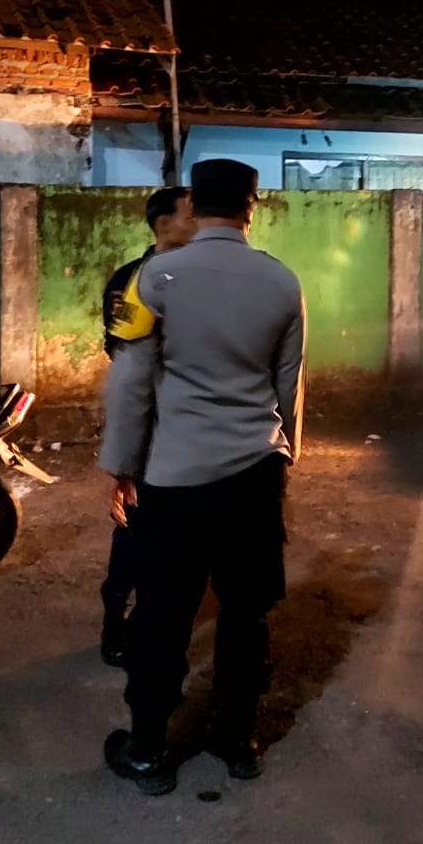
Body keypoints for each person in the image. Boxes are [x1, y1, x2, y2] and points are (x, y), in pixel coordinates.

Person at [98, 159, 306, 795]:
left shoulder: (154, 277)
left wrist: (120, 466)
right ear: (252, 206)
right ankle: (237, 741)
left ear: (193, 204)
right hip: (254, 472)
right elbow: (289, 382)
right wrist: (286, 456)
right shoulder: (281, 280)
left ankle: (147, 751)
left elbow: (131, 381)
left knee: (163, 613)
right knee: (246, 610)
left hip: (174, 475)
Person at [97, 186, 197, 667]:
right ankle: (116, 618)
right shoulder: (132, 281)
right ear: (163, 225)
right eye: (191, 213)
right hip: (153, 429)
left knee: (186, 538)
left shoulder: (206, 276)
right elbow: (125, 365)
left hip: (197, 430)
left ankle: (159, 621)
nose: (201, 220)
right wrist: (123, 461)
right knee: (136, 531)